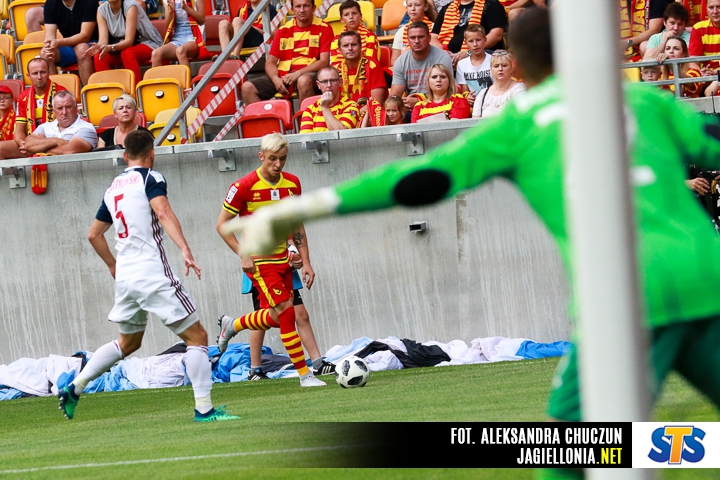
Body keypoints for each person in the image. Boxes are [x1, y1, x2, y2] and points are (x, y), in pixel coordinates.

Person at [222, 12, 720, 480]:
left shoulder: (519, 124)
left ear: (517, 66)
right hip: (707, 276)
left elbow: (418, 179)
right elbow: (712, 138)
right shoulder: (644, 101)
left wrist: (298, 210)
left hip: (627, 296)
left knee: (568, 449)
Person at [58, 130, 240, 422]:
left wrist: (113, 265)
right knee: (198, 338)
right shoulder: (151, 178)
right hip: (152, 272)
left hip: (126, 277)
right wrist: (185, 249)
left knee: (128, 343)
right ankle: (204, 409)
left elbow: (94, 235)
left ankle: (75, 387)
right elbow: (163, 212)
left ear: (124, 155)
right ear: (152, 154)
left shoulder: (112, 188)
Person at [215, 133, 326, 388]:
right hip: (260, 262)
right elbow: (221, 225)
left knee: (277, 317)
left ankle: (233, 325)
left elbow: (296, 224)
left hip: (284, 261)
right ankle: (305, 375)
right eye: (273, 158)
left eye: (283, 159)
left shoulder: (292, 184)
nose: (278, 164)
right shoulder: (243, 186)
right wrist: (243, 254)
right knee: (287, 314)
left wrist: (306, 260)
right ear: (261, 156)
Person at [244, 246, 336, 380]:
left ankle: (317, 364)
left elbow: (293, 236)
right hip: (263, 267)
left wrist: (301, 259)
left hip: (283, 268)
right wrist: (290, 254)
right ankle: (255, 369)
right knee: (264, 317)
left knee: (299, 314)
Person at [240, 0, 334, 105]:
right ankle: (269, 117)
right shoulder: (282, 30)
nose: (302, 10)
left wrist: (298, 73)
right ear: (292, 9)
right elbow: (270, 62)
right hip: (284, 75)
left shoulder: (324, 28)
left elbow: (324, 62)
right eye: (298, 6)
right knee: (247, 87)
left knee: (303, 80)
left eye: (306, 6)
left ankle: (307, 116)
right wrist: (275, 79)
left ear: (313, 8)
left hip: (310, 74)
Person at [0, 58, 66, 161]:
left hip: (54, 141)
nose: (39, 77)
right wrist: (23, 143)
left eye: (42, 72)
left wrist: (43, 143)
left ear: (49, 73)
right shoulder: (23, 96)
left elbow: (67, 124)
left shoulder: (61, 93)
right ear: (28, 76)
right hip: (30, 143)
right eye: (35, 73)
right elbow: (19, 129)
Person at [85, 0, 164, 83]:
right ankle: (107, 90)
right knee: (99, 56)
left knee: (127, 53)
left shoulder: (130, 6)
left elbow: (129, 41)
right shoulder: (101, 10)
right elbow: (103, 40)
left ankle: (135, 89)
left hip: (148, 42)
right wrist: (98, 46)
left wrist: (111, 47)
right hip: (121, 46)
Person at [391, 22, 454, 116]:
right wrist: (400, 103)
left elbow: (447, 90)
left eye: (421, 37)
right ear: (408, 40)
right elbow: (394, 96)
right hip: (412, 109)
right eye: (412, 38)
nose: (416, 41)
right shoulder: (401, 61)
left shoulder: (442, 57)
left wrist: (419, 101)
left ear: (429, 38)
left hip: (439, 105)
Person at [431, 0, 507, 67]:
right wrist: (443, 53)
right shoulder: (447, 8)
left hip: (481, 56)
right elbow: (433, 37)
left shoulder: (491, 4)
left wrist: (469, 53)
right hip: (450, 58)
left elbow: (496, 34)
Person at [21, 91, 98, 156]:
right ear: (53, 111)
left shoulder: (86, 128)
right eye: (60, 108)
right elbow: (28, 145)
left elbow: (70, 150)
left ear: (76, 108)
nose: (64, 112)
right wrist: (56, 141)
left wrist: (40, 148)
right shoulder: (44, 127)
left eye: (68, 107)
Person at [41, 0, 99, 86]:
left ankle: (89, 91)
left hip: (93, 43)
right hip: (69, 46)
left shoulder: (89, 2)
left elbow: (85, 35)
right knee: (45, 53)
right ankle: (55, 91)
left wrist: (59, 42)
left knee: (81, 49)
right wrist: (49, 45)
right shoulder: (51, 3)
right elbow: (49, 34)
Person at [299, 66, 360, 133]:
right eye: (324, 81)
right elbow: (306, 138)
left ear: (340, 82)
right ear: (318, 85)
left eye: (333, 80)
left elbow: (342, 134)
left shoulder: (352, 106)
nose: (329, 85)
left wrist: (325, 108)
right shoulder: (310, 110)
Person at [334, 31, 388, 105]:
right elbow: (331, 101)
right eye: (345, 45)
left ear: (361, 47)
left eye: (353, 44)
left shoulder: (372, 66)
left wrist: (353, 112)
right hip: (343, 111)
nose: (350, 48)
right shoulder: (335, 70)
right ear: (339, 50)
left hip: (368, 111)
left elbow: (376, 102)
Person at [151, 0, 208, 68]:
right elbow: (167, 26)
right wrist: (170, 12)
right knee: (156, 54)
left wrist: (187, 8)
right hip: (177, 38)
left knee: (180, 50)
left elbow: (202, 19)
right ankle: (159, 75)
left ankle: (186, 75)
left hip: (194, 37)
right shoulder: (167, 1)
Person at [472, 49, 524, 118]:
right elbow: (474, 122)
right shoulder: (483, 94)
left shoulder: (520, 90)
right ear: (491, 69)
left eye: (504, 65)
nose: (500, 69)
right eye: (496, 66)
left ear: (511, 68)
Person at [330, 0, 380, 65]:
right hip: (341, 71)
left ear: (360, 16)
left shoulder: (370, 37)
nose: (351, 17)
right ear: (342, 20)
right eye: (346, 15)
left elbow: (371, 63)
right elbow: (334, 64)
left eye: (354, 13)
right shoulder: (335, 40)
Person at [455, 24, 493, 108]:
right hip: (474, 106)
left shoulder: (493, 60)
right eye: (471, 41)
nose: (475, 44)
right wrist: (468, 97)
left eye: (478, 40)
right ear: (466, 43)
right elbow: (464, 91)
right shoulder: (462, 64)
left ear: (485, 40)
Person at [391, 0, 436, 67]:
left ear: (425, 7)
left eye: (417, 5)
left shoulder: (434, 28)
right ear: (406, 8)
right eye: (410, 6)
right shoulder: (401, 31)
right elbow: (394, 61)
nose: (413, 9)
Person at [689, 0, 720, 74]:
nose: (715, 11)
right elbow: (693, 62)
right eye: (711, 7)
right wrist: (702, 73)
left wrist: (715, 73)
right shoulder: (698, 28)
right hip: (707, 76)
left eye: (719, 7)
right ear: (706, 9)